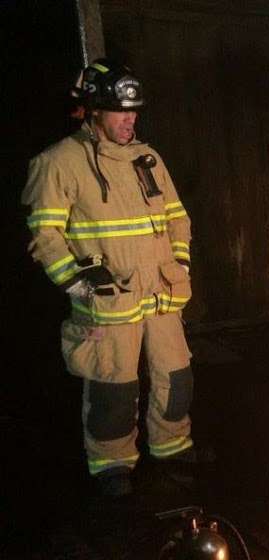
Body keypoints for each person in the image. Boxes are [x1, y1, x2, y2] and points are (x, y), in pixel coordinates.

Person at [21, 58, 195, 497]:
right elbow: (45, 234)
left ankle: (172, 446)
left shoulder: (148, 158)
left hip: (162, 296)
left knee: (176, 378)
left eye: (134, 111)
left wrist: (181, 266)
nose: (130, 119)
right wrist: (76, 283)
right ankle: (112, 464)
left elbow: (178, 218)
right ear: (95, 111)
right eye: (121, 111)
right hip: (109, 301)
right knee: (113, 389)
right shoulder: (58, 162)